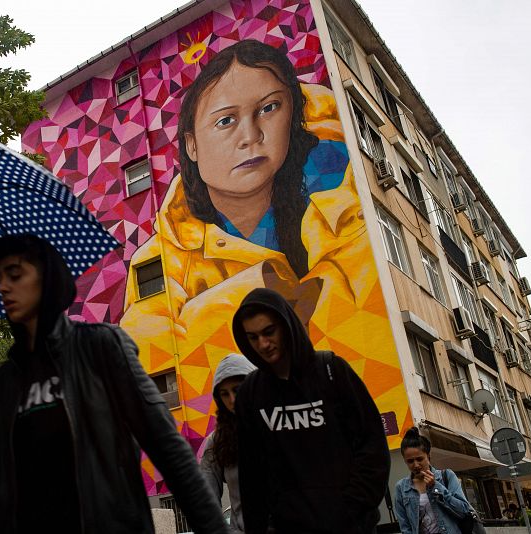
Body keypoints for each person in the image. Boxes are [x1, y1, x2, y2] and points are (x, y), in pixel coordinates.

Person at [120, 39, 406, 457]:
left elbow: (358, 314)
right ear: (192, 145)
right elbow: (147, 360)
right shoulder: (164, 253)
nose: (250, 137)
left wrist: (207, 311)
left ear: (293, 114)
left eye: (269, 109)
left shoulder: (344, 194)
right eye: (225, 121)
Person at [0, 233, 224, 533]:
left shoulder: (101, 347)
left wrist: (212, 528)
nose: (3, 286)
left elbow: (167, 447)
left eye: (15, 275)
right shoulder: (4, 383)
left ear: (48, 278)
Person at [232, 287, 390, 534]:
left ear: (286, 325)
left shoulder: (332, 372)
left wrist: (349, 512)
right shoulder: (250, 395)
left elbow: (372, 448)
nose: (263, 344)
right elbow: (252, 478)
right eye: (252, 337)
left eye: (269, 332)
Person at [200, 353, 257, 533]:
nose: (232, 400)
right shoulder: (217, 442)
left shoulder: (281, 423)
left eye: (237, 389)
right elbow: (204, 504)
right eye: (225, 394)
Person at [394, 427, 472, 534]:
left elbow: (464, 510)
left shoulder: (446, 476)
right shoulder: (401, 487)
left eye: (420, 459)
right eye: (410, 461)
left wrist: (435, 486)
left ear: (428, 455)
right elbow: (405, 526)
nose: (416, 465)